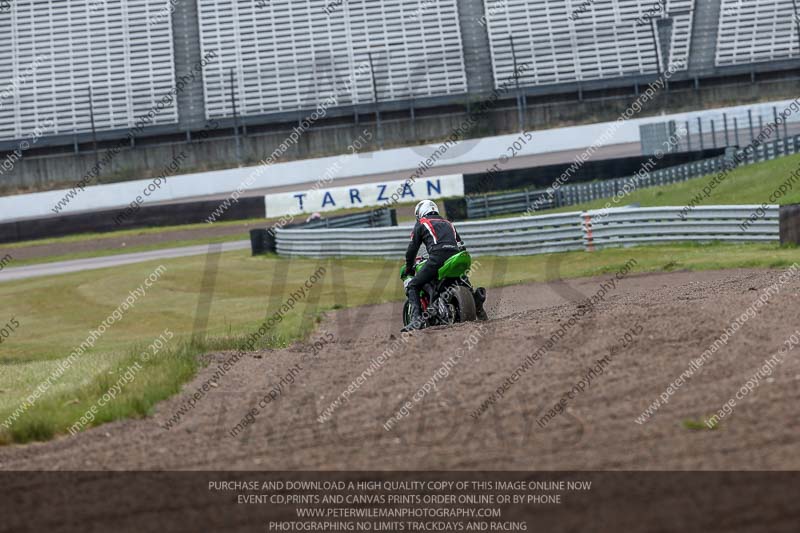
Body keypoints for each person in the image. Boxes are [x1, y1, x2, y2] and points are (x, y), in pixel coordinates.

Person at [401, 200, 466, 332]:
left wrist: (408, 268)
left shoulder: (422, 223)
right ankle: (478, 301)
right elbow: (461, 245)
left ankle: (415, 321)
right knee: (463, 279)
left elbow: (412, 250)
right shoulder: (449, 223)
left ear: (420, 213)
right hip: (456, 256)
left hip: (437, 257)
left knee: (413, 285)